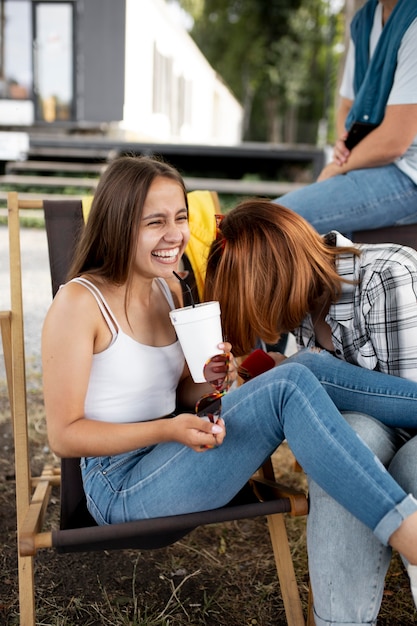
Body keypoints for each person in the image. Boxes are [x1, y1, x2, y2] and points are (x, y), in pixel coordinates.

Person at [41, 156, 417, 610]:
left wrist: (215, 380)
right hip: (120, 484)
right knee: (292, 378)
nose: (175, 234)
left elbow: (181, 389)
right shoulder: (80, 302)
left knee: (298, 371)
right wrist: (167, 429)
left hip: (173, 458)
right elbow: (65, 436)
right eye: (154, 222)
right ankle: (405, 530)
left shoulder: (169, 290)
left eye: (180, 217)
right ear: (118, 225)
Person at [203, 198, 417, 617]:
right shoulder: (306, 303)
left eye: (257, 308)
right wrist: (272, 374)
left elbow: (409, 405)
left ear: (277, 282)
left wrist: (307, 374)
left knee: (404, 464)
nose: (264, 326)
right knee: (346, 445)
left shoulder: (388, 275)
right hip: (377, 423)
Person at [274, 0, 417, 236]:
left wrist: (337, 167)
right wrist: (344, 145)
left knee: (273, 222)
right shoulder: (364, 21)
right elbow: (347, 105)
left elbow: (394, 141)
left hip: (408, 174)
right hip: (368, 163)